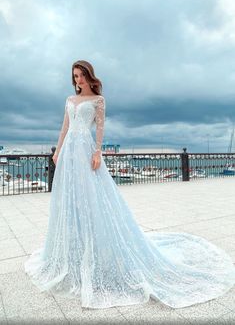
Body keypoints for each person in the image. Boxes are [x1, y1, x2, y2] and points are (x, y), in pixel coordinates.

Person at [25, 60, 235, 310]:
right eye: (75, 76)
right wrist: (57, 151)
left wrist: (98, 152)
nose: (78, 80)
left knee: (92, 198)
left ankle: (97, 249)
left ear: (89, 76)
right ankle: (73, 249)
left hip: (85, 150)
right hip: (69, 150)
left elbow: (100, 129)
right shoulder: (70, 100)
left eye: (81, 76)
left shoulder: (98, 101)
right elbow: (64, 128)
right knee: (70, 200)